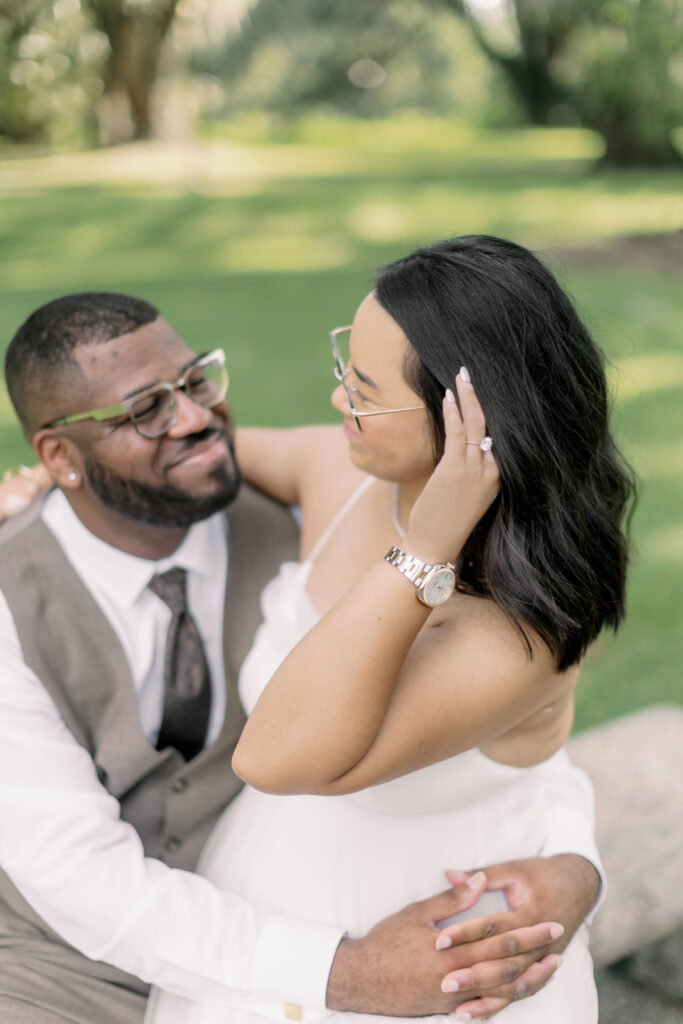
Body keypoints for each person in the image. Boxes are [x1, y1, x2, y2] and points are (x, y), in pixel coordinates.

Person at [0, 287, 605, 1024]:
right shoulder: (13, 596)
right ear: (59, 456)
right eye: (146, 410)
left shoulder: (290, 507)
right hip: (61, 967)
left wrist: (578, 864)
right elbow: (74, 874)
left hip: (371, 938)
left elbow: (517, 732)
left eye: (196, 383)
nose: (196, 422)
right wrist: (342, 972)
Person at [145, 235, 635, 1024]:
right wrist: (41, 491)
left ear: (470, 426)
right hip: (268, 895)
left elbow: (274, 756)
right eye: (345, 364)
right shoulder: (347, 471)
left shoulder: (519, 633)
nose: (339, 399)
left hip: (437, 960)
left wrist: (424, 550)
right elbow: (199, 457)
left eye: (364, 388)